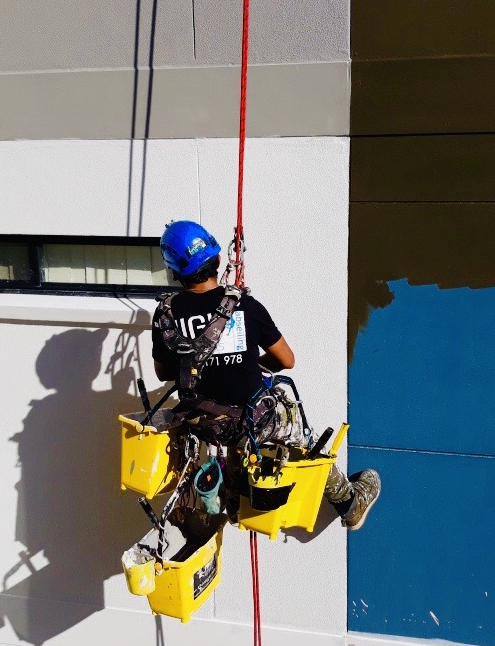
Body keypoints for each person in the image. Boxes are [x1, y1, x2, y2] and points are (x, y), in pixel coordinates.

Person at [151, 220, 380, 530]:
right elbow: (286, 360)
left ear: (174, 271)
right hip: (253, 423)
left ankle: (234, 506)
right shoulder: (244, 306)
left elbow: (164, 371)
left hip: (204, 425)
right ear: (217, 259)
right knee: (297, 429)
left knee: (232, 431)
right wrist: (247, 363)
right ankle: (349, 503)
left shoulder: (165, 314)